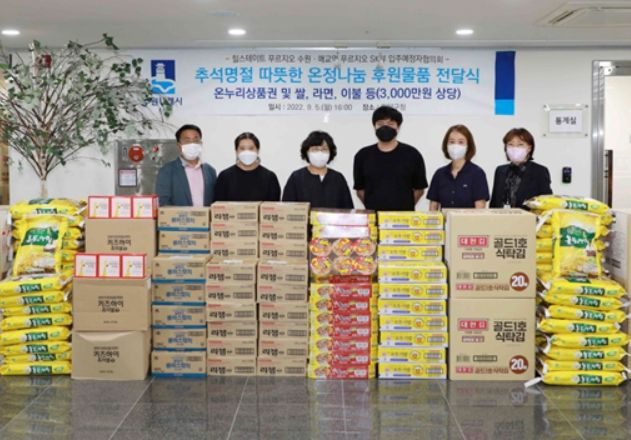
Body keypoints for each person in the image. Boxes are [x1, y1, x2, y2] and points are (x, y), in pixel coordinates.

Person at [353, 105, 428, 211]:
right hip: (373, 217)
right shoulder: (362, 155)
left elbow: (419, 189)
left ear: (398, 127)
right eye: (380, 124)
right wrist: (372, 207)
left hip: (404, 217)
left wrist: (405, 206)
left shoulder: (412, 154)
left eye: (390, 124)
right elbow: (360, 190)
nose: (385, 127)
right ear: (374, 126)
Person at [282, 131, 353, 209]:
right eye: (315, 149)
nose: (320, 153)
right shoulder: (296, 178)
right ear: (307, 152)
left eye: (324, 149)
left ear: (330, 152)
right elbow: (286, 209)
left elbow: (348, 209)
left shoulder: (338, 178)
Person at [427, 125, 489, 210]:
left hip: (469, 219)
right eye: (452, 142)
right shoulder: (439, 174)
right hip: (444, 219)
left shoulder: (477, 174)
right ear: (446, 145)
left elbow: (480, 210)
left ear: (468, 146)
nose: (455, 146)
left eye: (461, 142)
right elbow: (433, 209)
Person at [156, 124, 217, 207]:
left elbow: (215, 201)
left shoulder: (210, 171)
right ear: (179, 145)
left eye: (196, 140)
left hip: (206, 215)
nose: (192, 144)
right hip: (179, 215)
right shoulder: (167, 171)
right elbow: (163, 203)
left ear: (201, 143)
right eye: (187, 141)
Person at [490, 127, 552, 209]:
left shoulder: (540, 171)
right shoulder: (500, 170)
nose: (515, 148)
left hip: (529, 216)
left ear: (529, 148)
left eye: (520, 145)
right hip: (501, 216)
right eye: (510, 144)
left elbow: (546, 203)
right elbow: (494, 202)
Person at [214, 132, 281, 201]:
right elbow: (218, 205)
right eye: (242, 148)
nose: (247, 152)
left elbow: (274, 206)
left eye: (251, 148)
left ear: (258, 150)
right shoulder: (224, 177)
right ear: (236, 151)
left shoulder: (270, 178)